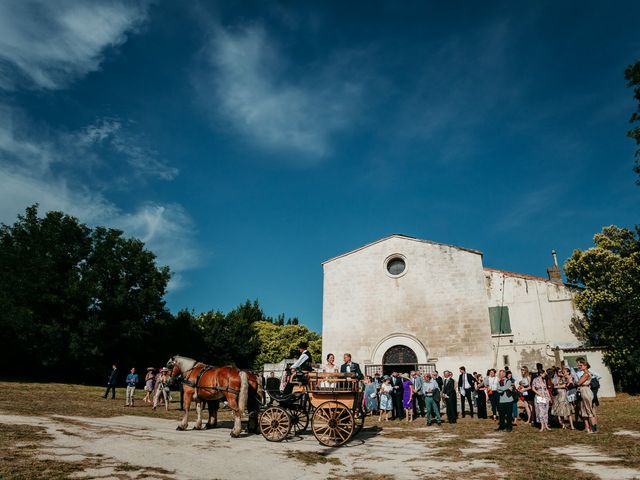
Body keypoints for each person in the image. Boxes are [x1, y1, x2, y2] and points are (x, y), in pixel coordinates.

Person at [577, 360, 598, 433]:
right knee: (583, 409)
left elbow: (579, 382)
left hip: (586, 391)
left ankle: (594, 428)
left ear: (585, 366)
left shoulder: (586, 374)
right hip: (583, 391)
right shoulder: (584, 374)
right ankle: (587, 427)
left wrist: (577, 382)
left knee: (589, 409)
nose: (579, 367)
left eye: (581, 365)